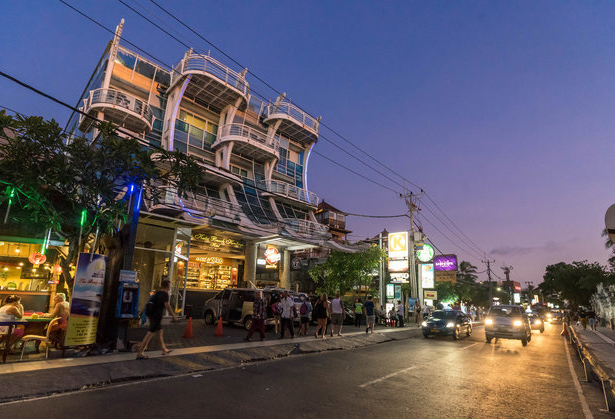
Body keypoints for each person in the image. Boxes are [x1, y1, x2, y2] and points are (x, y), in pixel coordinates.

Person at [136, 280, 178, 359]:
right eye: (170, 285)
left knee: (160, 331)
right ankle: (140, 352)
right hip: (156, 315)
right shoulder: (165, 294)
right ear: (167, 286)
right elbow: (167, 306)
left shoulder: (158, 293)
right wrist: (173, 316)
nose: (170, 287)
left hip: (152, 314)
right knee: (150, 333)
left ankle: (164, 349)